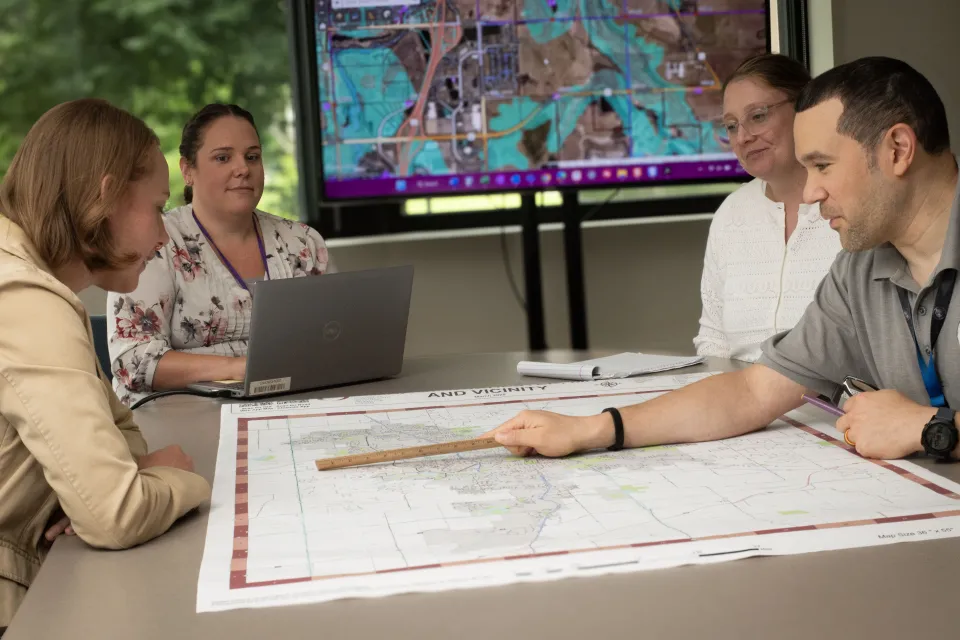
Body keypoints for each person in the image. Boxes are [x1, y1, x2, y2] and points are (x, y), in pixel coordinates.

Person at [490, 56, 960, 464]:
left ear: (897, 150)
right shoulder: (859, 271)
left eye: (822, 165)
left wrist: (928, 428)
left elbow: (920, 426)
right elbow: (754, 391)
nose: (811, 192)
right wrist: (590, 429)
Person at [0, 98, 210, 631]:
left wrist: (117, 479)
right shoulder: (27, 300)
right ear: (105, 196)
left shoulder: (30, 281)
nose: (164, 236)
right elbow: (117, 514)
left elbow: (118, 449)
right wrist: (183, 479)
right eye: (157, 208)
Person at [107, 103, 330, 406]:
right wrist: (242, 368)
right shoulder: (155, 243)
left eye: (252, 157)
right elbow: (133, 362)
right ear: (187, 170)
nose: (243, 169)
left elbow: (331, 339)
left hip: (288, 405)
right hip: (174, 413)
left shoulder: (303, 241)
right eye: (223, 158)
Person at [694, 53, 841, 362]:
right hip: (742, 392)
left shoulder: (850, 203)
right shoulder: (730, 214)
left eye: (758, 116)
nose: (743, 137)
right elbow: (713, 340)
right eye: (731, 126)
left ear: (804, 108)